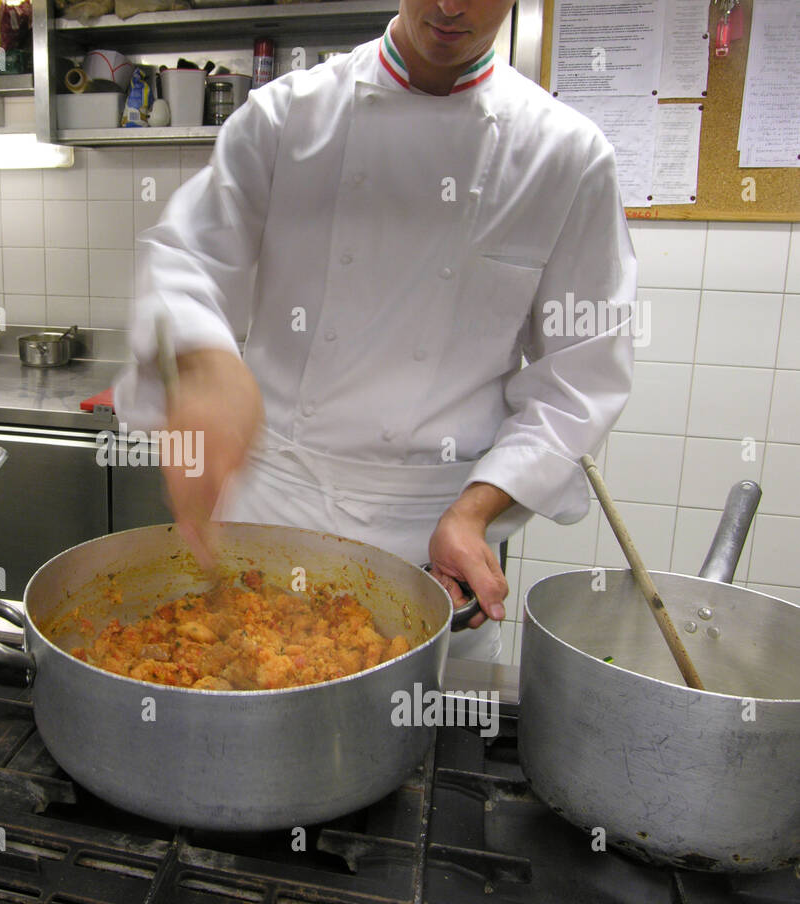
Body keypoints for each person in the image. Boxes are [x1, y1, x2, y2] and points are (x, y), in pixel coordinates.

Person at [113, 0, 638, 662]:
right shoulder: (287, 117)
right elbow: (186, 256)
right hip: (273, 508)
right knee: (241, 711)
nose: (451, 6)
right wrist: (205, 364)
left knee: (423, 742)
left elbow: (581, 377)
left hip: (435, 539)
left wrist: (476, 513)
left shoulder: (566, 156)